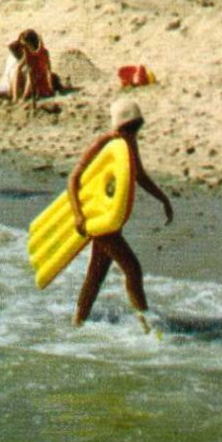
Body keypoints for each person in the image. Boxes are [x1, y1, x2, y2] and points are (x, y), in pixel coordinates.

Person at [69, 99, 173, 331]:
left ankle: (76, 323)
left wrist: (163, 199)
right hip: (100, 220)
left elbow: (140, 175)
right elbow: (73, 179)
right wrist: (78, 215)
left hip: (112, 220)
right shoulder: (104, 144)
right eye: (129, 128)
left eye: (136, 128)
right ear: (119, 127)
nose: (133, 133)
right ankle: (146, 325)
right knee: (132, 268)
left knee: (96, 274)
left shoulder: (129, 144)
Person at [16, 29, 60, 101]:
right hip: (34, 79)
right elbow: (19, 69)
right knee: (30, 76)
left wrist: (50, 85)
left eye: (25, 45)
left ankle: (24, 97)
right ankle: (22, 97)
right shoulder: (32, 53)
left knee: (32, 76)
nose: (24, 47)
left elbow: (48, 70)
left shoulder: (40, 53)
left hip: (39, 79)